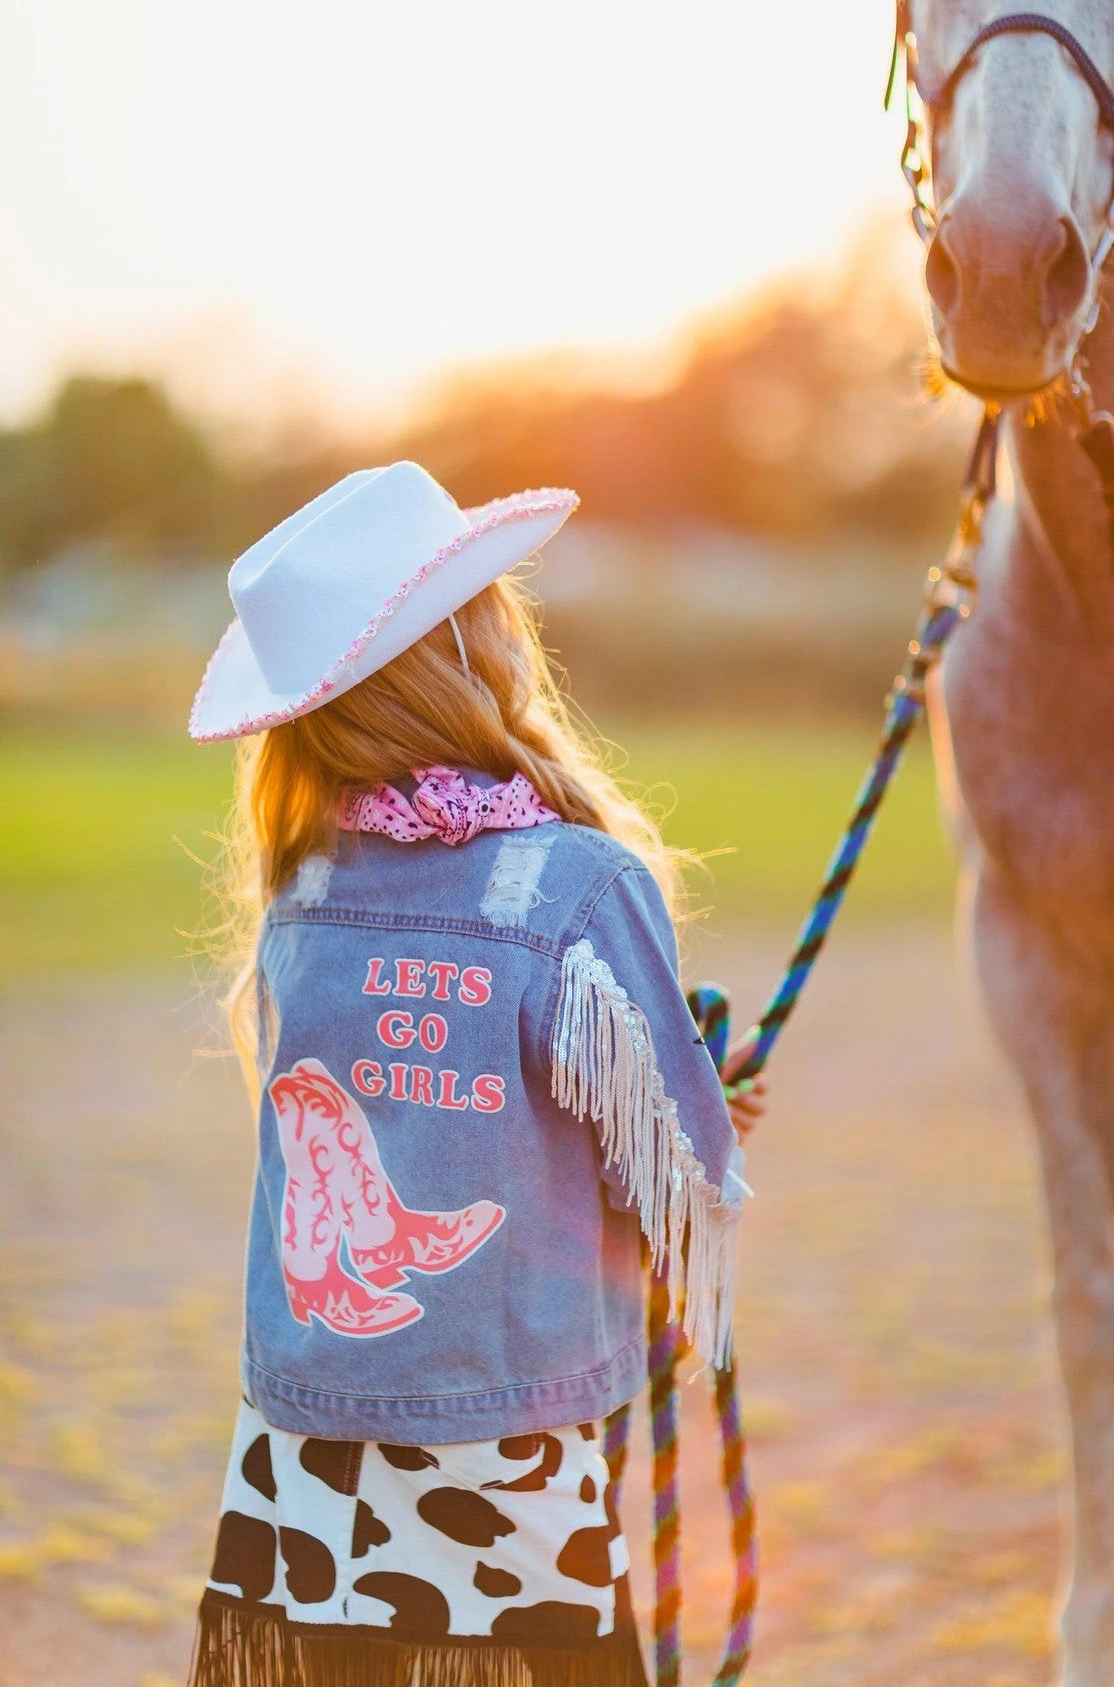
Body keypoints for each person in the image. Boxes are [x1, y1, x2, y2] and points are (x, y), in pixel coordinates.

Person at [186, 461, 766, 1687]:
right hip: (507, 1457)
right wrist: (708, 1106)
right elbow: (681, 1173)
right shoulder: (576, 886)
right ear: (467, 646)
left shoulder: (303, 892)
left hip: (303, 1453)